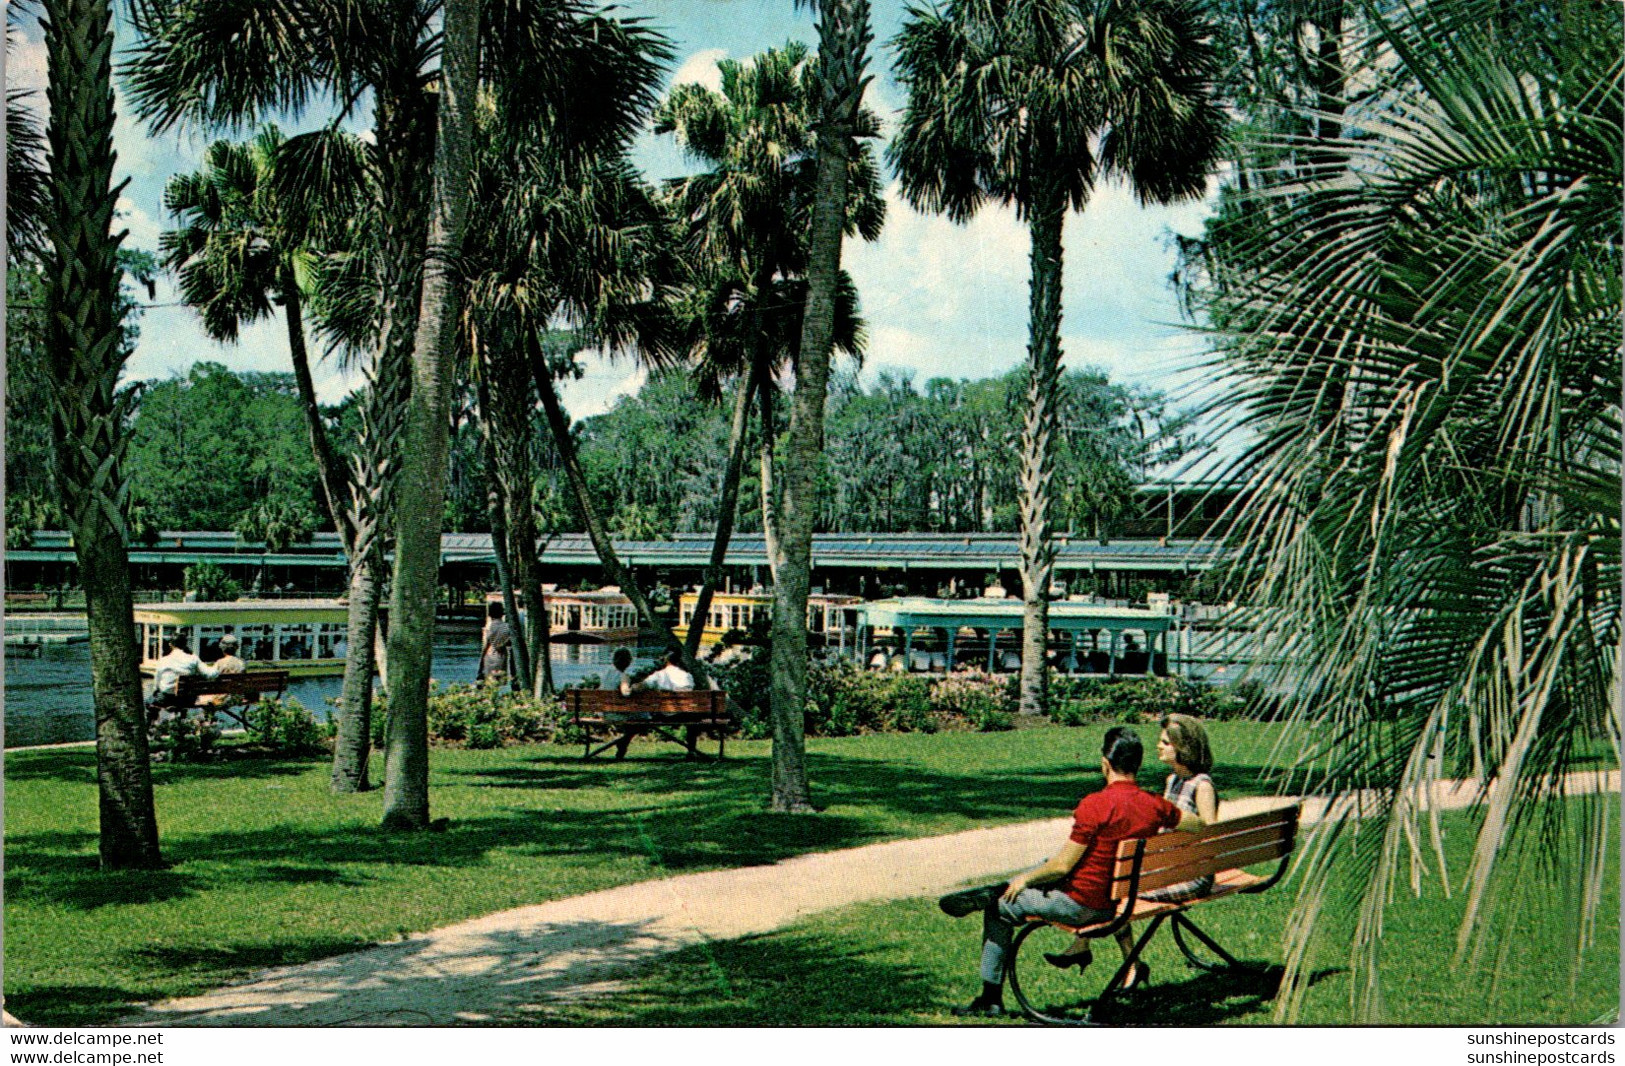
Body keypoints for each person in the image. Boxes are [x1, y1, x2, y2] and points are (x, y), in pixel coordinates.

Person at [937, 727, 1188, 1017]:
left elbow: (1063, 866)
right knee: (1047, 863)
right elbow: (1198, 823)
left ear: (1105, 763)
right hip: (1114, 906)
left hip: (1079, 906)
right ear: (1138, 765)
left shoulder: (1095, 805)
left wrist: (1024, 879)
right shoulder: (1155, 805)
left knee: (1000, 907)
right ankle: (1004, 887)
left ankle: (990, 998)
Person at [1141, 713, 1219, 902]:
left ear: (1184, 748)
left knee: (1120, 893)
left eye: (1166, 743)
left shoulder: (1202, 786)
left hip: (1193, 877)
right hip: (1171, 867)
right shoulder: (1173, 780)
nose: (1158, 746)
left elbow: (1210, 836)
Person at [146, 633, 219, 721]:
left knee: (148, 701)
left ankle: (151, 725)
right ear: (185, 644)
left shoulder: (163, 660)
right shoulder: (193, 659)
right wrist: (217, 666)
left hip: (167, 699)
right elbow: (210, 674)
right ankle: (182, 721)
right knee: (185, 694)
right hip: (187, 699)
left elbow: (156, 685)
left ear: (170, 644)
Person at [198, 634, 246, 709]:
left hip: (222, 698)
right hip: (237, 697)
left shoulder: (219, 663)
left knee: (202, 697)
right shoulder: (242, 663)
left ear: (223, 648)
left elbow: (211, 677)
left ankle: (208, 718)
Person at [478, 601, 513, 683]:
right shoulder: (507, 627)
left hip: (489, 656)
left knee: (489, 682)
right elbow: (509, 642)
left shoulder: (489, 626)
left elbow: (485, 645)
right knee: (500, 681)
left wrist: (481, 663)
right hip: (502, 657)